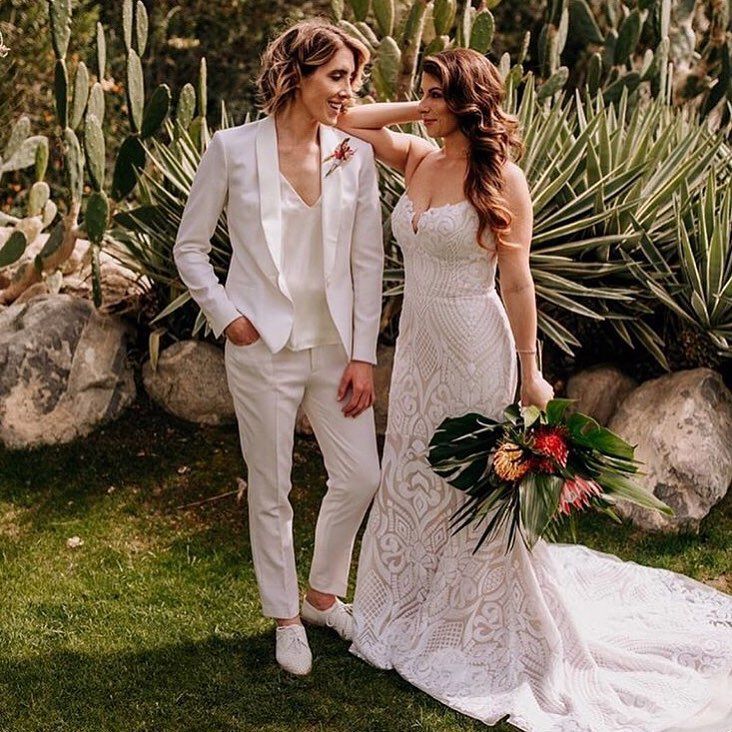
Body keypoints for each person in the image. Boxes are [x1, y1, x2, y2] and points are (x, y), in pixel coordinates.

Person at [339, 48, 732, 731]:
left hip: (473, 346)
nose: (424, 105)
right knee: (410, 471)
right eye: (423, 94)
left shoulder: (502, 179)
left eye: (438, 95)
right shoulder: (415, 156)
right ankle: (405, 603)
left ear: (469, 103)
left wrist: (530, 369)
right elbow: (346, 118)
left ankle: (471, 620)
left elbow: (517, 283)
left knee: (472, 486)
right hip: (419, 348)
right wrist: (421, 108)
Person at [173, 19, 383, 676]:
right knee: (272, 486)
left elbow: (368, 260)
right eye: (337, 77)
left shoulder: (356, 153)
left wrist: (364, 354)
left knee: (361, 476)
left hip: (335, 349)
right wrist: (228, 316)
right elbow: (190, 248)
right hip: (261, 348)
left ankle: (323, 595)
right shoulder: (232, 149)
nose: (348, 92)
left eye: (354, 79)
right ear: (298, 74)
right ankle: (286, 616)